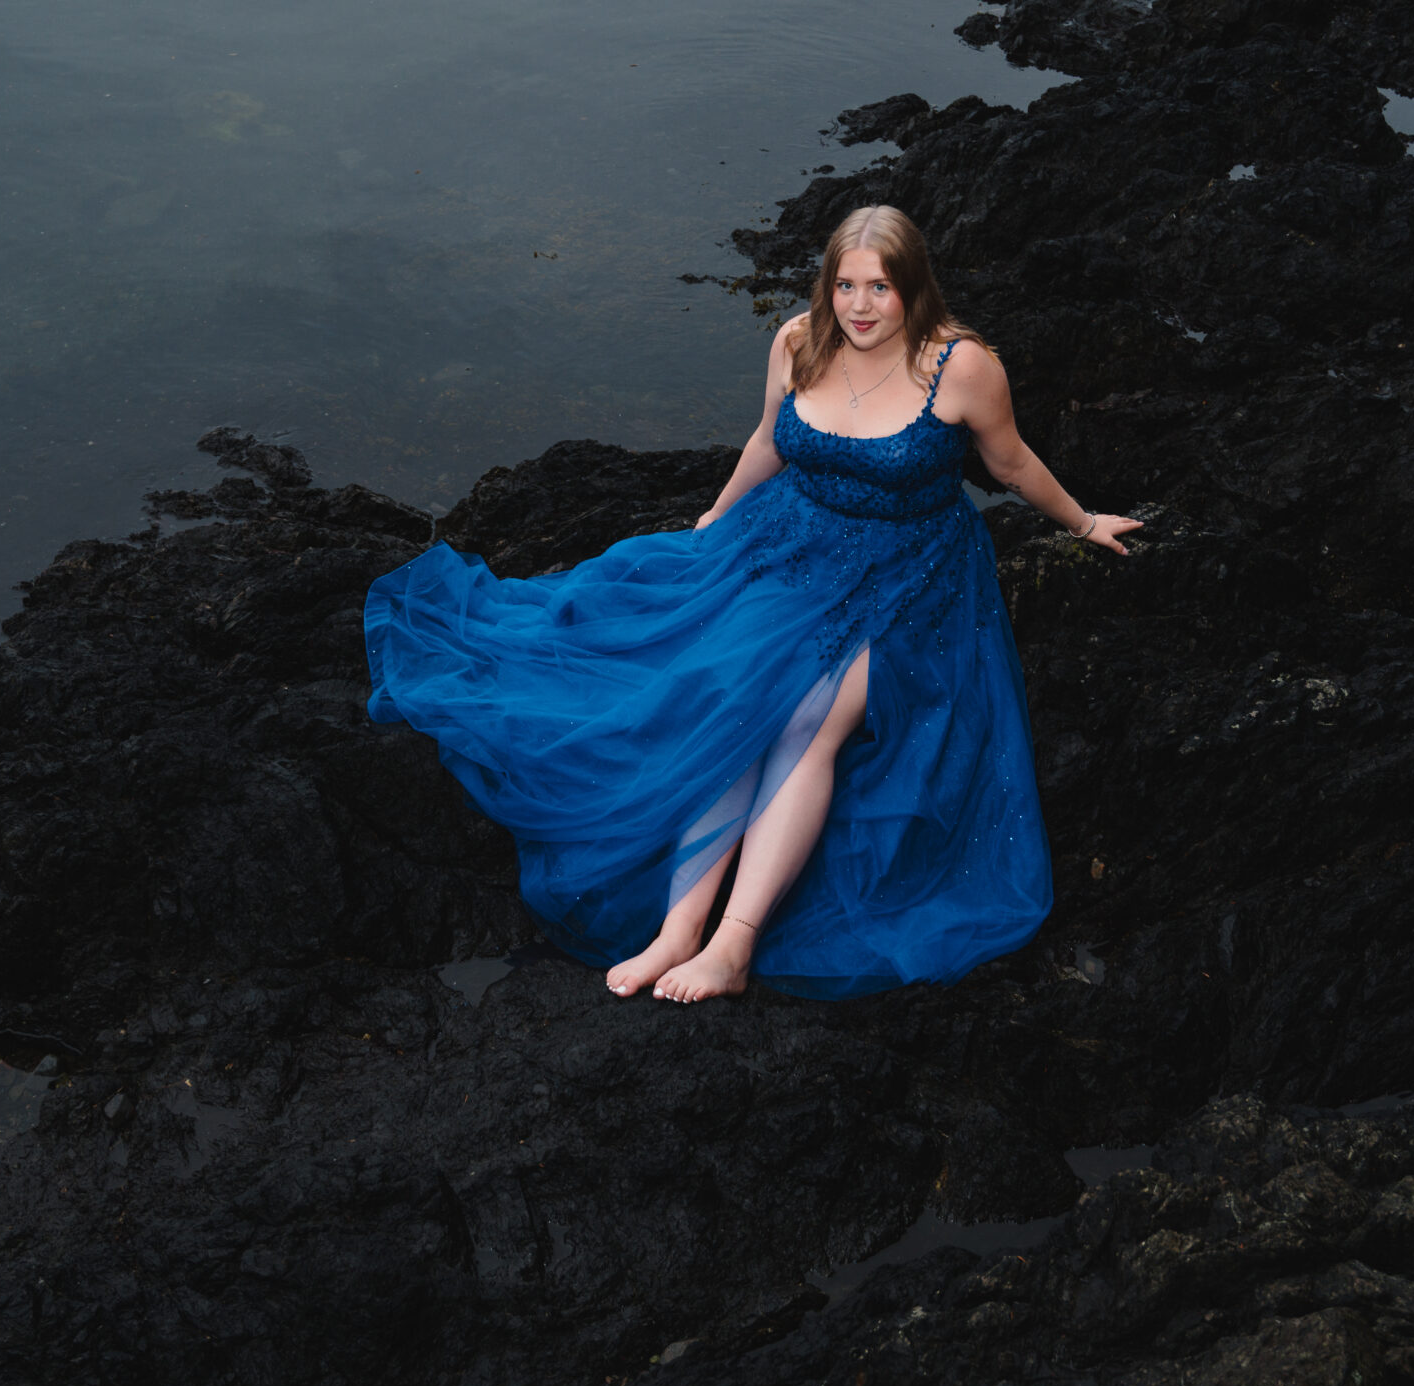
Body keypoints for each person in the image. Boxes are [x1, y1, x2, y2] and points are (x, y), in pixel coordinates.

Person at [364, 205, 1139, 1002]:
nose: (861, 305)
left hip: (913, 575)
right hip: (790, 548)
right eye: (846, 284)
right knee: (736, 699)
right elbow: (768, 440)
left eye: (880, 287)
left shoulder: (961, 366)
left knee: (804, 717)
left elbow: (1009, 465)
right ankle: (677, 929)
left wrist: (1082, 521)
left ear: (914, 288)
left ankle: (731, 945)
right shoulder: (799, 342)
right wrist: (716, 517)